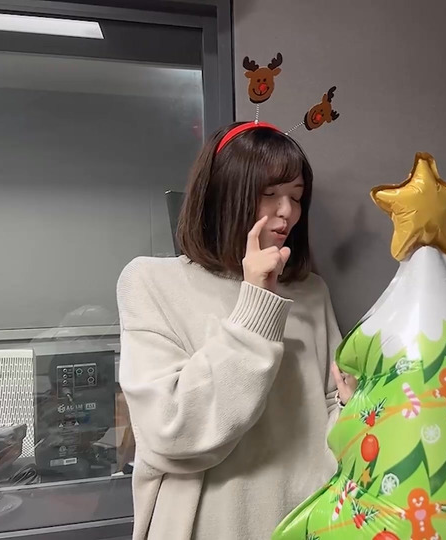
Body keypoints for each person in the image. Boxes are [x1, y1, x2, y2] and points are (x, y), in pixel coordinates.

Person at [116, 122, 355, 540]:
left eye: (297, 196)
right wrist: (257, 301)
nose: (287, 211)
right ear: (225, 194)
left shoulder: (311, 291)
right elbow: (171, 431)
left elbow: (332, 404)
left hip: (307, 521)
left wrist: (355, 409)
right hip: (209, 525)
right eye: (270, 193)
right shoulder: (151, 282)